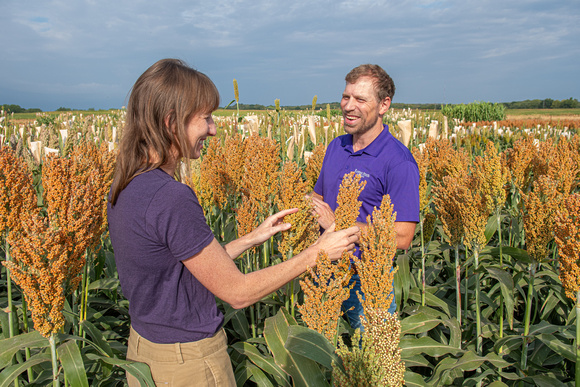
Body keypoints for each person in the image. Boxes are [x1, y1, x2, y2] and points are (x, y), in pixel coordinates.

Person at [107, 58, 359, 387]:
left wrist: (251, 239)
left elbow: (177, 268)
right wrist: (317, 252)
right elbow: (237, 294)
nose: (212, 129)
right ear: (171, 123)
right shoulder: (172, 197)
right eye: (205, 119)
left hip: (144, 352)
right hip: (189, 364)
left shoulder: (127, 183)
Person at [311, 64, 420, 330]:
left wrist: (337, 224)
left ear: (384, 105)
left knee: (370, 362)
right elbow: (317, 198)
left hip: (367, 280)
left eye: (360, 99)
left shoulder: (398, 162)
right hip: (324, 268)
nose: (349, 106)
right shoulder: (336, 146)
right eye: (346, 97)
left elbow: (403, 237)